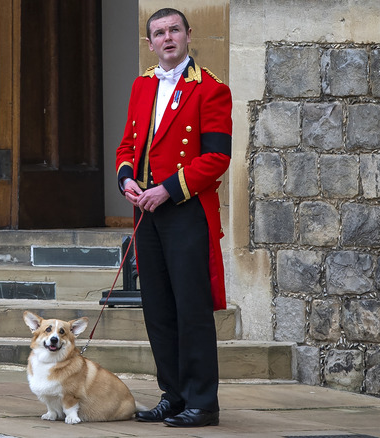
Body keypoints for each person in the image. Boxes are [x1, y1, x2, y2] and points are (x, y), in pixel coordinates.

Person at [115, 8, 232, 428]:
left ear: (187, 35)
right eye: (159, 32)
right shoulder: (143, 84)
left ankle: (203, 401)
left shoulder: (211, 89)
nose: (167, 38)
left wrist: (167, 188)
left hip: (185, 210)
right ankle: (174, 394)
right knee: (158, 308)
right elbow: (128, 144)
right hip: (147, 211)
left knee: (191, 309)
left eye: (174, 30)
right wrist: (127, 179)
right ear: (150, 43)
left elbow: (217, 157)